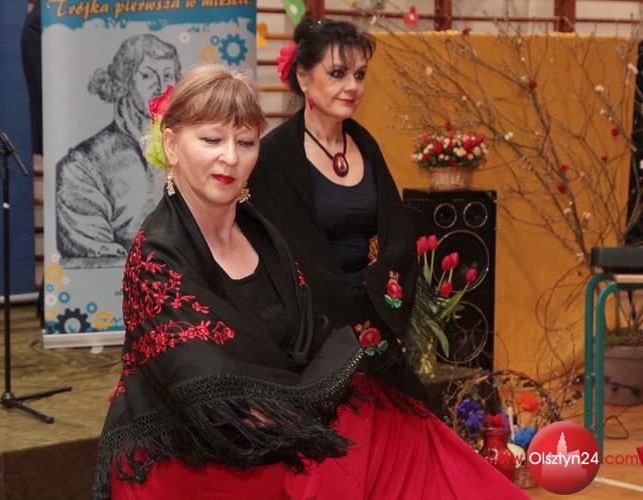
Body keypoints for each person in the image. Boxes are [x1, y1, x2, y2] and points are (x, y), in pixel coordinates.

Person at [94, 65, 528, 499]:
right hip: (193, 458)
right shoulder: (156, 253)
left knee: (400, 427)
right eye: (211, 140)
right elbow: (206, 386)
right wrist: (303, 415)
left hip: (277, 425)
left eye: (245, 142)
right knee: (356, 447)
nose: (230, 157)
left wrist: (318, 401)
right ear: (172, 144)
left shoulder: (262, 235)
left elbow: (312, 337)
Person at [251, 18, 427, 408]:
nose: (353, 86)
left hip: (372, 313)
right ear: (303, 77)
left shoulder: (365, 145)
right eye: (337, 73)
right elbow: (287, 258)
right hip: (312, 333)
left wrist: (378, 292)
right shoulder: (274, 157)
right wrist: (354, 310)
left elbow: (398, 236)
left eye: (359, 75)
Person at [56, 34, 181, 262]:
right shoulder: (83, 164)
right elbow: (94, 254)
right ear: (124, 81)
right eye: (147, 75)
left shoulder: (196, 151)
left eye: (168, 76)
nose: (162, 87)